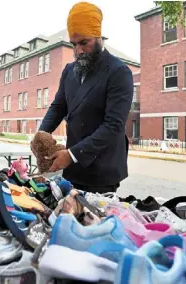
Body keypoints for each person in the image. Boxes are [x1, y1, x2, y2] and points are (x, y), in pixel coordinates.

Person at [37, 2, 133, 193]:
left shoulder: (119, 72)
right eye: (74, 44)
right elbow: (58, 107)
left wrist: (71, 155)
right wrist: (40, 137)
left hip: (102, 168)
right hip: (73, 167)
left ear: (98, 37)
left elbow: (113, 125)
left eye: (84, 43)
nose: (78, 51)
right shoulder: (69, 70)